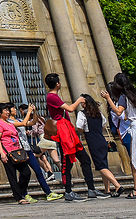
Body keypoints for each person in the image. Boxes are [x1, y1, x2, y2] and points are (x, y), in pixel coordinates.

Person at [45, 73, 97, 201]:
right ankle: (68, 191)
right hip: (63, 130)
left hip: (67, 129)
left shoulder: (55, 96)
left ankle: (91, 189)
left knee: (84, 159)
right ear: (58, 84)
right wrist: (79, 100)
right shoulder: (52, 97)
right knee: (66, 162)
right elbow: (70, 109)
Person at [9, 104, 61, 201]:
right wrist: (28, 112)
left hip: (27, 149)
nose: (15, 110)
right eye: (13, 108)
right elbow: (24, 124)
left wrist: (34, 112)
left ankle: (48, 193)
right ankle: (24, 194)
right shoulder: (9, 122)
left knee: (38, 171)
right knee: (24, 174)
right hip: (19, 150)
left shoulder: (19, 120)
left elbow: (32, 122)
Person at [75, 94, 122, 196]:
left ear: (85, 103)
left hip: (92, 140)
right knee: (104, 165)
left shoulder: (82, 114)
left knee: (100, 166)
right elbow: (103, 125)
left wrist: (84, 131)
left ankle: (117, 186)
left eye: (82, 102)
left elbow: (79, 126)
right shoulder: (98, 113)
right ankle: (107, 189)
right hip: (101, 139)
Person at [0, 103, 33, 205]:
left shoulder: (10, 123)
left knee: (26, 172)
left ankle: (18, 191)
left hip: (17, 151)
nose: (7, 112)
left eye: (8, 110)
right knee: (12, 176)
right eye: (5, 111)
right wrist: (2, 153)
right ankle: (19, 197)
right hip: (7, 153)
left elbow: (24, 124)